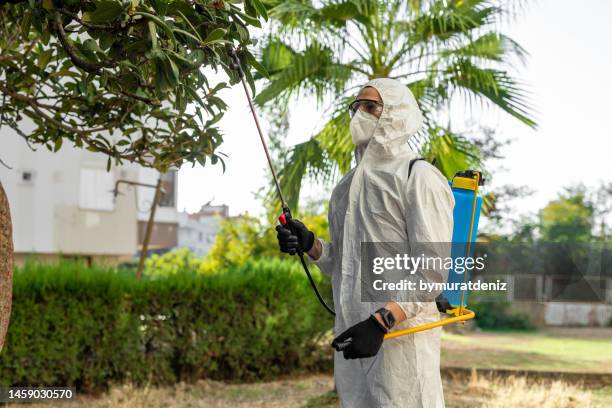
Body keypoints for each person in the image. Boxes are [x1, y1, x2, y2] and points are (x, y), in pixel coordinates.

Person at [276, 78, 454, 407]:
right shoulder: (345, 188)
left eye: (372, 106)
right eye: (356, 107)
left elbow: (431, 272)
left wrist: (380, 322)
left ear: (398, 115)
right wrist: (310, 243)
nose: (360, 113)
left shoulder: (419, 177)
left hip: (402, 339)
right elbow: (339, 264)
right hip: (353, 335)